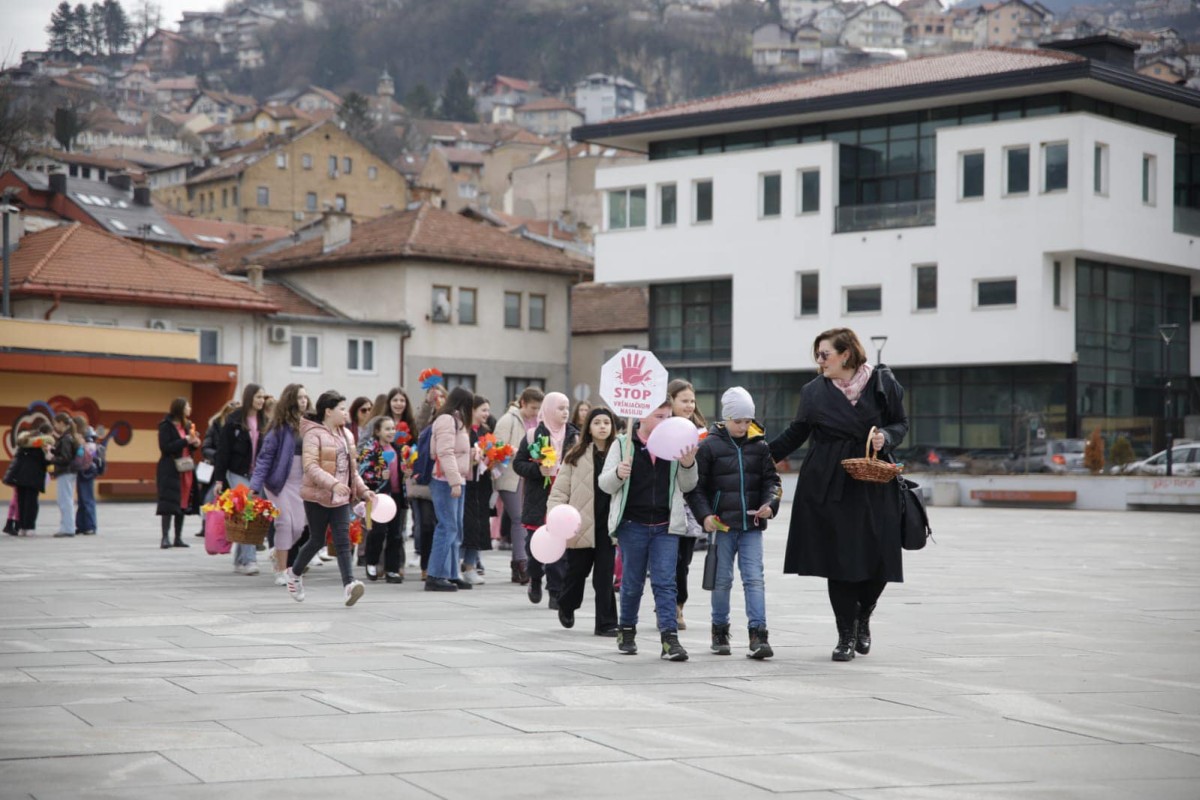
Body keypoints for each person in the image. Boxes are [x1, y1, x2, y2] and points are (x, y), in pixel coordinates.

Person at [768, 327, 908, 662]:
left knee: (880, 558)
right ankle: (845, 634)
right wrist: (754, 457)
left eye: (824, 354)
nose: (819, 361)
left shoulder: (882, 383)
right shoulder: (813, 391)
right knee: (839, 560)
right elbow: (796, 433)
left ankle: (864, 615)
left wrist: (885, 438)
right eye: (817, 355)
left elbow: (900, 424)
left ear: (846, 354)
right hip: (828, 481)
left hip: (873, 478)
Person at [599, 401, 699, 661]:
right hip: (633, 525)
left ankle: (669, 639)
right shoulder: (622, 444)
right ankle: (627, 629)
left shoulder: (674, 444)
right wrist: (619, 474)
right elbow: (605, 484)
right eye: (659, 416)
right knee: (631, 583)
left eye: (668, 416)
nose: (666, 421)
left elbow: (688, 485)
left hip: (666, 525)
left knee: (665, 582)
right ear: (641, 416)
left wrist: (688, 464)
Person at [687, 387, 782, 659]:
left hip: (751, 526)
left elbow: (772, 481)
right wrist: (705, 516)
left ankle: (759, 634)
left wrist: (770, 505)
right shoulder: (709, 446)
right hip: (722, 526)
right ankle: (719, 630)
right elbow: (695, 488)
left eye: (747, 421)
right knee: (722, 580)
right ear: (726, 418)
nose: (743, 426)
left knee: (754, 579)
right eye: (738, 421)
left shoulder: (760, 446)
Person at [286, 391, 374, 606]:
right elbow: (310, 466)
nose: (345, 413)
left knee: (343, 542)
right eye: (342, 409)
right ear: (328, 411)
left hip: (341, 499)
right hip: (317, 496)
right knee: (317, 540)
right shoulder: (313, 434)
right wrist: (333, 484)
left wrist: (363, 491)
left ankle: (349, 585)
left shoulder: (347, 436)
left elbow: (352, 471)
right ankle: (294, 574)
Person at [548, 406, 619, 636]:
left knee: (604, 576)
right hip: (581, 525)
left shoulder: (621, 454)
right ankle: (566, 605)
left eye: (606, 423)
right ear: (588, 426)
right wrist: (556, 515)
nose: (602, 427)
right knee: (576, 572)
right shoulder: (575, 455)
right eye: (597, 422)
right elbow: (559, 490)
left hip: (608, 525)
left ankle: (606, 623)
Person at [513, 391, 577, 609]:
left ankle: (555, 592)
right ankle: (535, 579)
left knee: (559, 548)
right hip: (538, 499)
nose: (565, 412)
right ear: (549, 409)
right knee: (534, 547)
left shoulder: (574, 436)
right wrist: (538, 469)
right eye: (560, 408)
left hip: (563, 500)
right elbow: (518, 464)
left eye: (567, 407)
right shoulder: (533, 435)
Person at [250, 384, 310, 587]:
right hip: (278, 482)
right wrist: (255, 486)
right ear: (291, 400)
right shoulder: (279, 427)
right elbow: (264, 458)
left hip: (300, 483)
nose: (304, 400)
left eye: (305, 397)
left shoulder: (309, 423)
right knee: (284, 522)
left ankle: (277, 553)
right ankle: (281, 570)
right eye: (300, 397)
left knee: (299, 527)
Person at [213, 384, 267, 575]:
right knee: (248, 513)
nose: (262, 400)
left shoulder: (264, 420)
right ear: (250, 397)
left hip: (257, 475)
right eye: (259, 397)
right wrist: (219, 480)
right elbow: (223, 451)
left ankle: (240, 560)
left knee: (250, 514)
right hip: (237, 473)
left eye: (263, 397)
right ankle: (249, 560)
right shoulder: (234, 419)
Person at [667, 379, 707, 630]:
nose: (689, 405)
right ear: (670, 401)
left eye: (692, 400)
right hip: (665, 505)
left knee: (684, 561)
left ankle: (677, 604)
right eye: (684, 400)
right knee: (668, 562)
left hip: (691, 505)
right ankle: (671, 605)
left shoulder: (701, 431)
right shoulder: (660, 427)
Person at [425, 386, 474, 592]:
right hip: (445, 480)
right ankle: (436, 574)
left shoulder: (456, 420)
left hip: (455, 479)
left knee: (455, 528)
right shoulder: (447, 420)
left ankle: (452, 573)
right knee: (447, 527)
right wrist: (454, 481)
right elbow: (444, 452)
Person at [492, 387, 542, 584]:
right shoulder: (508, 420)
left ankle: (519, 563)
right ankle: (521, 563)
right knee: (519, 518)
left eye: (539, 408)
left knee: (522, 519)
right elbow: (496, 447)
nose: (536, 412)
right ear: (522, 403)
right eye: (532, 407)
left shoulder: (537, 421)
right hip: (509, 475)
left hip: (527, 476)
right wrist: (513, 451)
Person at [358, 414, 403, 583]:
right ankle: (371, 562)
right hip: (378, 496)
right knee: (378, 530)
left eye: (393, 428)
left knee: (395, 533)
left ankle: (392, 569)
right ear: (378, 431)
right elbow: (362, 472)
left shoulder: (397, 449)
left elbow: (400, 470)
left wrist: (405, 473)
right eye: (387, 429)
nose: (391, 432)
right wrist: (378, 475)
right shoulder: (371, 449)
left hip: (396, 496)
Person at [156, 397, 201, 549]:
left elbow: (188, 447)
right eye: (187, 406)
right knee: (169, 502)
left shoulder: (187, 425)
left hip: (185, 468)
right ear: (180, 408)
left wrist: (194, 443)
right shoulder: (166, 426)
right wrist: (185, 440)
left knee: (183, 502)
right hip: (170, 469)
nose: (190, 409)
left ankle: (178, 538)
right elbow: (165, 447)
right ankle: (165, 537)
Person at [461, 395, 493, 585]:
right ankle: (460, 565)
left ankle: (471, 565)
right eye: (483, 410)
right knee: (464, 526)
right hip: (466, 483)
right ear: (472, 410)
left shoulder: (485, 431)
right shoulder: (463, 430)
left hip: (482, 485)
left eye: (488, 410)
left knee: (477, 527)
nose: (486, 414)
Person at [196, 400, 238, 537]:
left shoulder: (241, 427)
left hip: (233, 468)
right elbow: (206, 447)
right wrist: (219, 456)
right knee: (209, 497)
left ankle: (227, 526)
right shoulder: (215, 425)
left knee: (231, 500)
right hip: (215, 469)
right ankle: (206, 525)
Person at [384, 387, 415, 574]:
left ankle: (397, 564)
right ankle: (379, 563)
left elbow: (416, 448)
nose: (398, 404)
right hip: (383, 482)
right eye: (395, 400)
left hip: (403, 482)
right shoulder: (380, 423)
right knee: (382, 527)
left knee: (400, 526)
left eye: (402, 400)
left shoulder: (411, 424)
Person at [8, 424, 54, 536]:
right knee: (31, 503)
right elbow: (46, 462)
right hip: (34, 478)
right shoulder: (42, 445)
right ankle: (29, 527)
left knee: (22, 502)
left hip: (20, 477)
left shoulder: (23, 444)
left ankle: (22, 527)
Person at [49, 412, 80, 538]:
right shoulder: (70, 437)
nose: (55, 426)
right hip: (70, 472)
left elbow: (65, 458)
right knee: (66, 499)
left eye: (55, 423)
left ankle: (67, 528)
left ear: (61, 423)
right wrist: (52, 450)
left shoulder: (66, 438)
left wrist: (52, 457)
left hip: (65, 472)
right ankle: (67, 527)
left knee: (64, 500)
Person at [72, 415, 104, 536]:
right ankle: (81, 525)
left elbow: (88, 454)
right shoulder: (88, 435)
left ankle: (90, 526)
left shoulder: (87, 438)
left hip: (87, 469)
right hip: (84, 469)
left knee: (87, 499)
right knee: (82, 499)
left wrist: (80, 445)